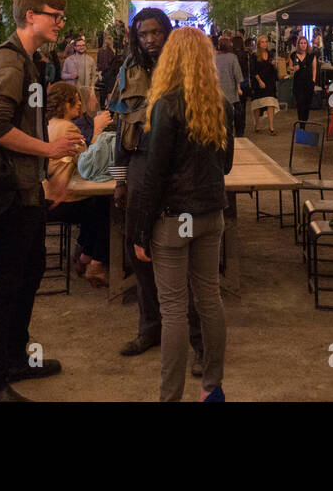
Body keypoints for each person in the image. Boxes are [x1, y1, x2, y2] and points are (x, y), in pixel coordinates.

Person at [0, 0, 85, 402]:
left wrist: (48, 173)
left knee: (29, 270)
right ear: (31, 16)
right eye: (55, 14)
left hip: (25, 188)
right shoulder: (9, 62)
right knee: (4, 283)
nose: (60, 22)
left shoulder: (28, 61)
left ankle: (15, 358)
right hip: (6, 192)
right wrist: (49, 151)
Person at [132, 27, 235, 402]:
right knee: (209, 298)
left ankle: (170, 396)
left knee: (173, 308)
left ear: (171, 60)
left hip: (173, 219)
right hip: (211, 215)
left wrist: (140, 231)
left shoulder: (166, 104)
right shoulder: (221, 103)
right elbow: (225, 165)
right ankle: (212, 386)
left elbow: (154, 174)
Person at [109, 8, 205, 371]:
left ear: (167, 32)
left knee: (183, 258)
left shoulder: (184, 68)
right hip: (138, 167)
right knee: (139, 252)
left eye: (156, 33)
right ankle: (151, 328)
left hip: (177, 171)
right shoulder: (128, 71)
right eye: (143, 34)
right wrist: (120, 179)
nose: (150, 40)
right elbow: (119, 128)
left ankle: (199, 345)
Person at [44, 83, 113, 288]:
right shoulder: (69, 128)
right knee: (105, 206)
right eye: (76, 98)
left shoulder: (51, 124)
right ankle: (95, 263)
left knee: (96, 204)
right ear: (66, 103)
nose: (80, 103)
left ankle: (85, 256)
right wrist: (98, 130)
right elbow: (88, 164)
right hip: (62, 200)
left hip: (48, 198)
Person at [214, 37, 245, 139]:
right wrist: (239, 87)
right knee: (231, 113)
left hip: (218, 90)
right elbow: (237, 73)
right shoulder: (232, 57)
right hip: (231, 90)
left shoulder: (214, 57)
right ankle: (232, 133)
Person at [288, 35, 320, 128]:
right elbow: (289, 68)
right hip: (298, 83)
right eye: (301, 43)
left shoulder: (311, 55)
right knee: (300, 104)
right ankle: (301, 124)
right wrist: (294, 68)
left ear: (307, 44)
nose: (303, 45)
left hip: (308, 83)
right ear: (298, 44)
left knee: (306, 105)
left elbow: (314, 69)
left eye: (304, 43)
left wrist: (313, 80)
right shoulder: (293, 55)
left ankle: (304, 122)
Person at [250, 47, 280, 135]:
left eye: (266, 42)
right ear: (259, 44)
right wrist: (259, 81)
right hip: (258, 82)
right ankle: (257, 123)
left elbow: (274, 70)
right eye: (262, 42)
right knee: (258, 104)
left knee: (270, 103)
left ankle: (271, 126)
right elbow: (253, 70)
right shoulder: (254, 55)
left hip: (269, 82)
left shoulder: (270, 54)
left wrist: (274, 65)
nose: (264, 44)